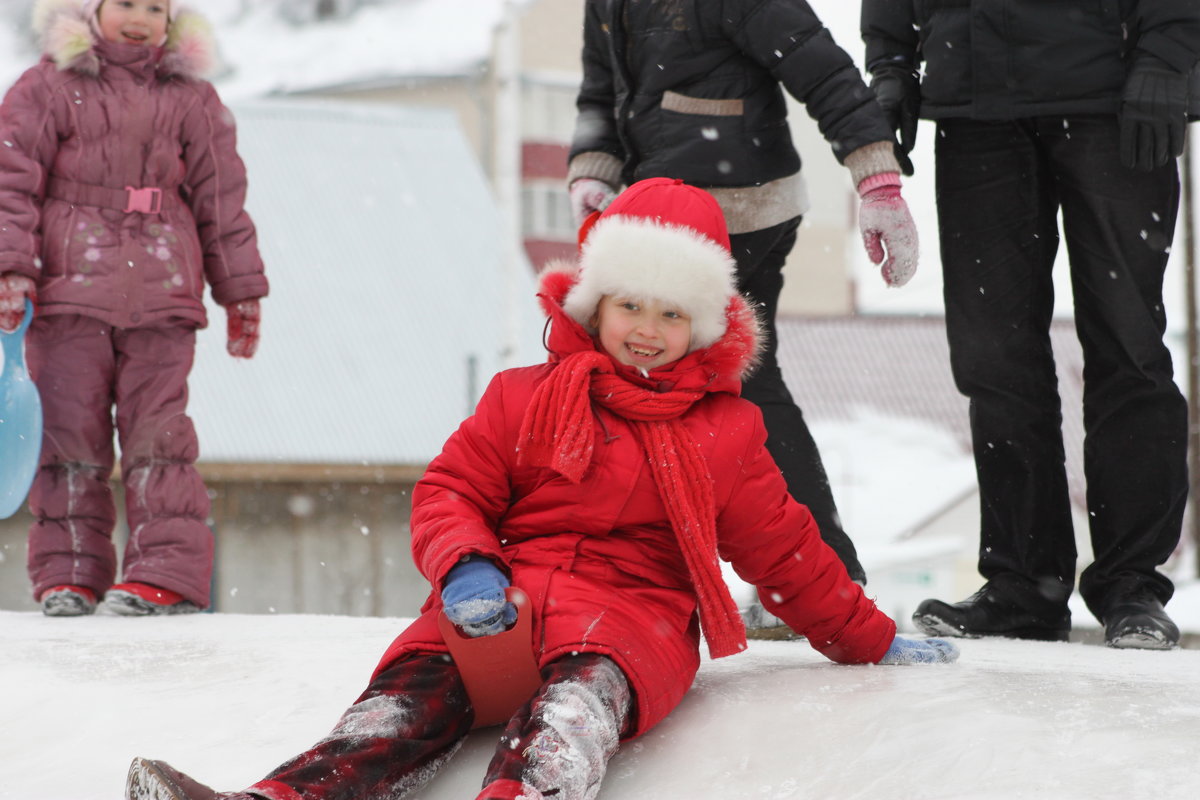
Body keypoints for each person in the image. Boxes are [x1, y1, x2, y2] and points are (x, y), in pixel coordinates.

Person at [123, 178, 957, 800]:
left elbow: (786, 547)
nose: (649, 331)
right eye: (632, 305)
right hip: (502, 605)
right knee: (400, 708)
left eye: (673, 316)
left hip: (632, 623)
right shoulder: (525, 396)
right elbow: (451, 489)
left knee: (571, 716)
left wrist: (870, 637)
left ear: (702, 326)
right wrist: (465, 567)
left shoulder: (725, 431)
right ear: (596, 307)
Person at [861, 0, 1200, 649]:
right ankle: (1026, 584)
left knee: (1126, 342)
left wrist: (1164, 56)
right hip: (974, 104)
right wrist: (892, 66)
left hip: (1114, 95)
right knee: (993, 356)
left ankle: (1132, 582)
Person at [567, 0, 922, 590]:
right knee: (734, 383)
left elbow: (825, 71)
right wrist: (595, 168)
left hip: (737, 208)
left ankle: (799, 573)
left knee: (694, 383)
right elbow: (600, 86)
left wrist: (876, 179)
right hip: (659, 205)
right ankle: (813, 572)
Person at [0, 0, 267, 617]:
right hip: (70, 295)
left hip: (163, 295)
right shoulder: (47, 87)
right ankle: (70, 572)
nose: (140, 17)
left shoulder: (191, 98)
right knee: (70, 439)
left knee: (160, 437)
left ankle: (164, 572)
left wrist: (240, 288)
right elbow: (12, 182)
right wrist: (12, 267)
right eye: (125, 3)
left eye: (155, 6)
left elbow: (222, 199)